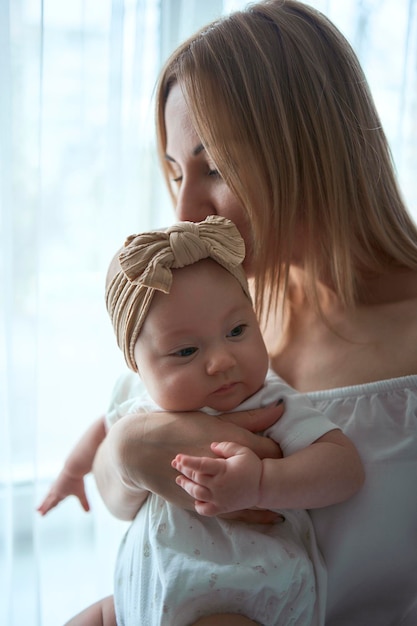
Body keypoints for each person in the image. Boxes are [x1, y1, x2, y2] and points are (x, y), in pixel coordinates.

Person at [91, 1, 417, 625]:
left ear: (312, 147)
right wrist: (132, 449)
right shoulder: (220, 317)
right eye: (173, 170)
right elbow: (116, 487)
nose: (185, 212)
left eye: (213, 168)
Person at [40, 216, 363, 626]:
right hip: (136, 598)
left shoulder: (268, 401)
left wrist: (262, 482)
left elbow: (344, 468)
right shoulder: (138, 401)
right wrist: (72, 470)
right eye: (186, 352)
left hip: (236, 595)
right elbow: (104, 429)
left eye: (237, 330)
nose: (221, 361)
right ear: (137, 367)